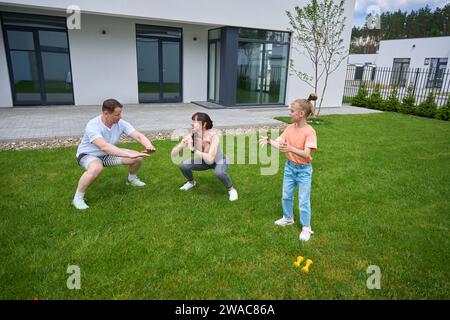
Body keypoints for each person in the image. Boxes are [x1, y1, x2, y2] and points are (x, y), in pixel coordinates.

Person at [72, 98, 156, 210]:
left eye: (120, 113)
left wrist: (148, 145)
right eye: (117, 114)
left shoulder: (120, 123)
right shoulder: (93, 125)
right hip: (88, 155)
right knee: (96, 168)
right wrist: (127, 154)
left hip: (108, 154)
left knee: (137, 157)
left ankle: (131, 179)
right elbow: (103, 146)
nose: (120, 116)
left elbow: (138, 135)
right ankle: (77, 198)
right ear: (106, 113)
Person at [259, 94, 318, 241]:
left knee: (303, 200)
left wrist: (290, 148)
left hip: (304, 170)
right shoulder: (290, 128)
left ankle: (306, 227)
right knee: (286, 195)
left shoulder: (309, 132)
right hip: (290, 168)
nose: (289, 113)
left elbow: (305, 154)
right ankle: (288, 218)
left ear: (301, 114)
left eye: (292, 111)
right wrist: (269, 141)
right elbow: (281, 143)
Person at [171, 112, 238, 201]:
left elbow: (210, 158)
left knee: (219, 173)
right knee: (183, 165)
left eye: (195, 121)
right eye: (192, 121)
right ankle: (191, 182)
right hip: (204, 161)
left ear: (204, 124)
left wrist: (193, 149)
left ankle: (231, 189)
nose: (192, 123)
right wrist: (183, 143)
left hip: (219, 160)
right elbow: (174, 154)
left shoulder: (213, 137)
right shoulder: (192, 135)